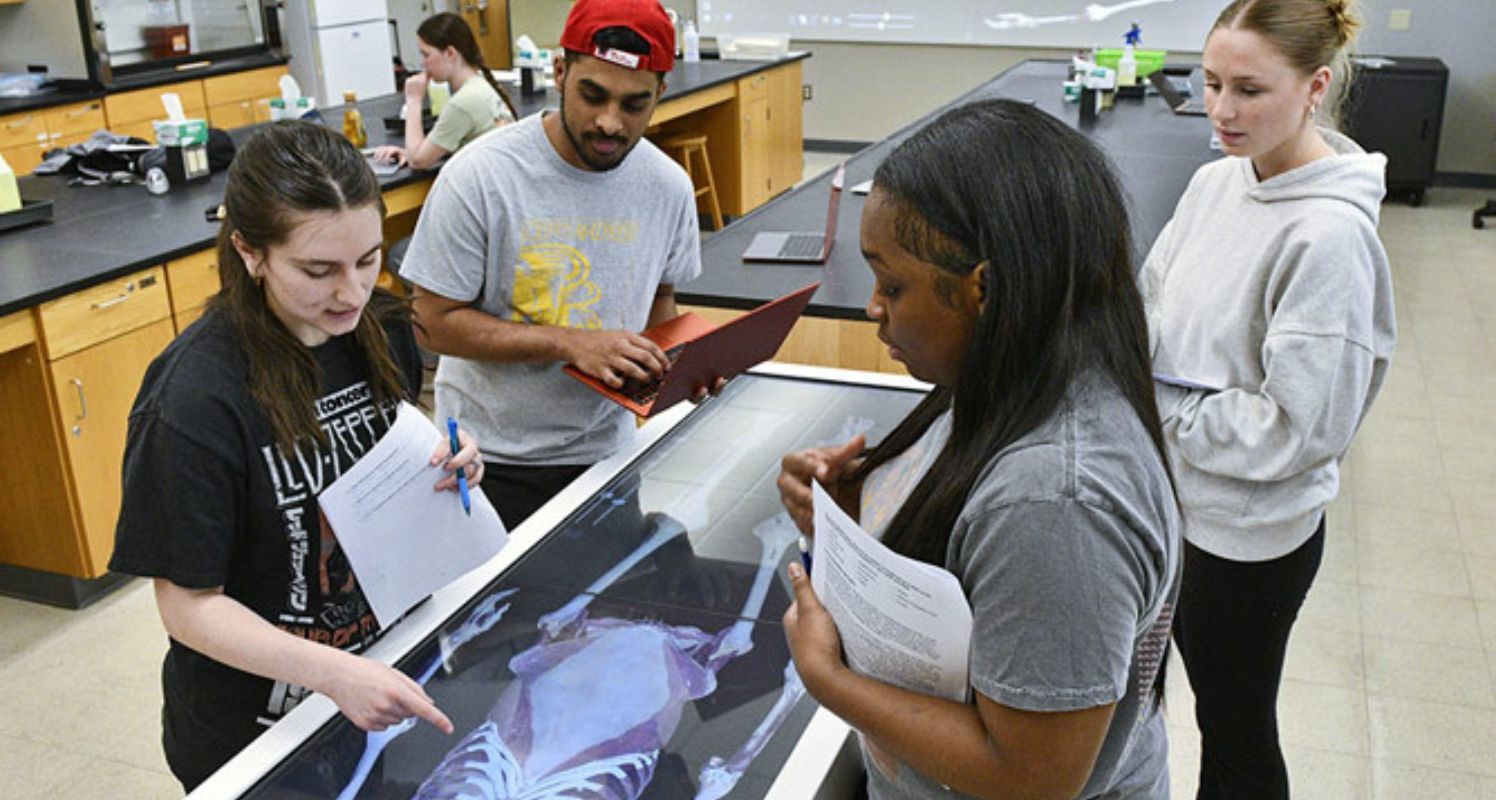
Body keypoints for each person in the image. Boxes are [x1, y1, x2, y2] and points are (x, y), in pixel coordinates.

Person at [777, 99, 1181, 800]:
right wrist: (855, 511)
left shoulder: (1055, 501)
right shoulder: (1019, 373)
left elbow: (1029, 777)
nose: (873, 307)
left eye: (893, 285)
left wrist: (830, 679)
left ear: (985, 289)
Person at [108, 121, 484, 791]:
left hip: (376, 677)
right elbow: (188, 606)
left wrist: (445, 463)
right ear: (250, 253)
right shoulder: (194, 400)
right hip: (256, 730)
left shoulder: (381, 328)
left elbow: (377, 459)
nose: (352, 291)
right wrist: (334, 673)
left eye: (369, 258)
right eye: (319, 270)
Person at [1138, 1, 1395, 798]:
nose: (1221, 109)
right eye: (1210, 82)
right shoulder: (1216, 181)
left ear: (1315, 86)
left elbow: (1299, 428)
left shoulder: (1328, 238)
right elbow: (1148, 308)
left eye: (1249, 89)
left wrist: (1164, 411)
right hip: (1171, 506)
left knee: (1236, 732)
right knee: (1153, 706)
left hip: (1244, 541)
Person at [400, 0, 707, 530]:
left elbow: (659, 299)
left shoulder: (667, 187)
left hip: (607, 454)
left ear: (660, 93)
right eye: (593, 95)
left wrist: (677, 366)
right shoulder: (481, 176)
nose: (610, 122)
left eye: (634, 104)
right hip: (488, 458)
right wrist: (570, 342)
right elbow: (431, 323)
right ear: (560, 73)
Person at [372, 13, 517, 170]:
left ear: (450, 53)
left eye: (426, 54)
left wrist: (413, 100)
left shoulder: (464, 101)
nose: (423, 63)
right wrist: (410, 152)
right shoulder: (479, 86)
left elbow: (418, 162)